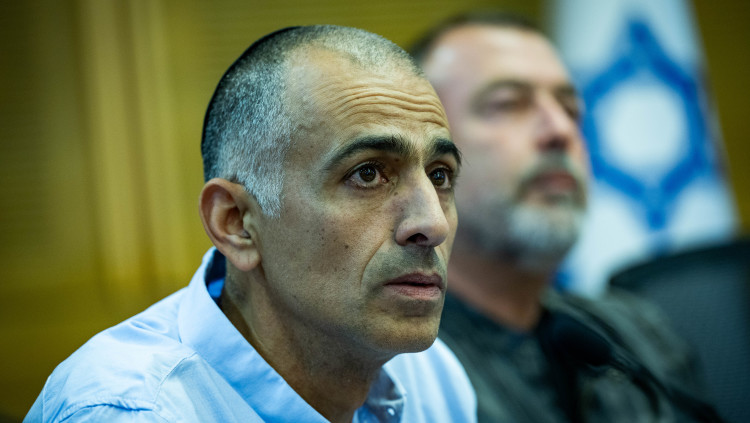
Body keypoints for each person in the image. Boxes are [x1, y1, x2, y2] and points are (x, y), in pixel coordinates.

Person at [26, 25, 476, 423]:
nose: (433, 223)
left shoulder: (431, 375)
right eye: (368, 174)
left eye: (440, 176)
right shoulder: (133, 412)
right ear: (236, 222)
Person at [411, 12, 713, 423]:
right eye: (508, 104)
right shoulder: (400, 371)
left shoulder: (640, 337)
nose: (560, 130)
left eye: (570, 109)